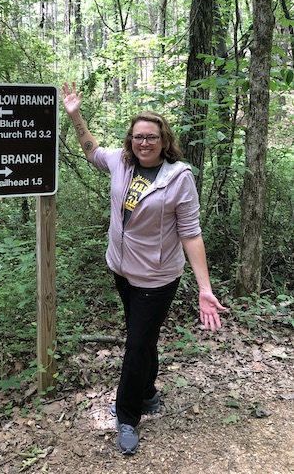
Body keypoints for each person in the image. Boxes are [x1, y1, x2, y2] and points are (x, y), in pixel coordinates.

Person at [60, 81, 227, 456]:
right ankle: (148, 393)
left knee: (135, 346)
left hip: (157, 277)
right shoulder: (120, 163)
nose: (144, 143)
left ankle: (127, 415)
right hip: (122, 271)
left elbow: (191, 234)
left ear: (164, 141)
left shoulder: (178, 178)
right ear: (131, 141)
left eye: (151, 137)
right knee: (143, 339)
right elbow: (90, 150)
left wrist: (204, 287)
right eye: (138, 137)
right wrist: (74, 116)